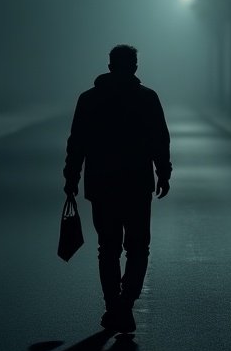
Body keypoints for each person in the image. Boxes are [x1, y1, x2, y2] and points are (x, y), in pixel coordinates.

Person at [63, 44, 171, 334]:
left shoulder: (88, 100)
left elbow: (77, 144)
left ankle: (113, 305)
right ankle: (126, 303)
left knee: (107, 248)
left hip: (102, 184)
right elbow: (160, 139)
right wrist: (164, 172)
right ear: (135, 67)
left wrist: (71, 177)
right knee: (138, 247)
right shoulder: (147, 98)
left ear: (109, 66)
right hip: (137, 184)